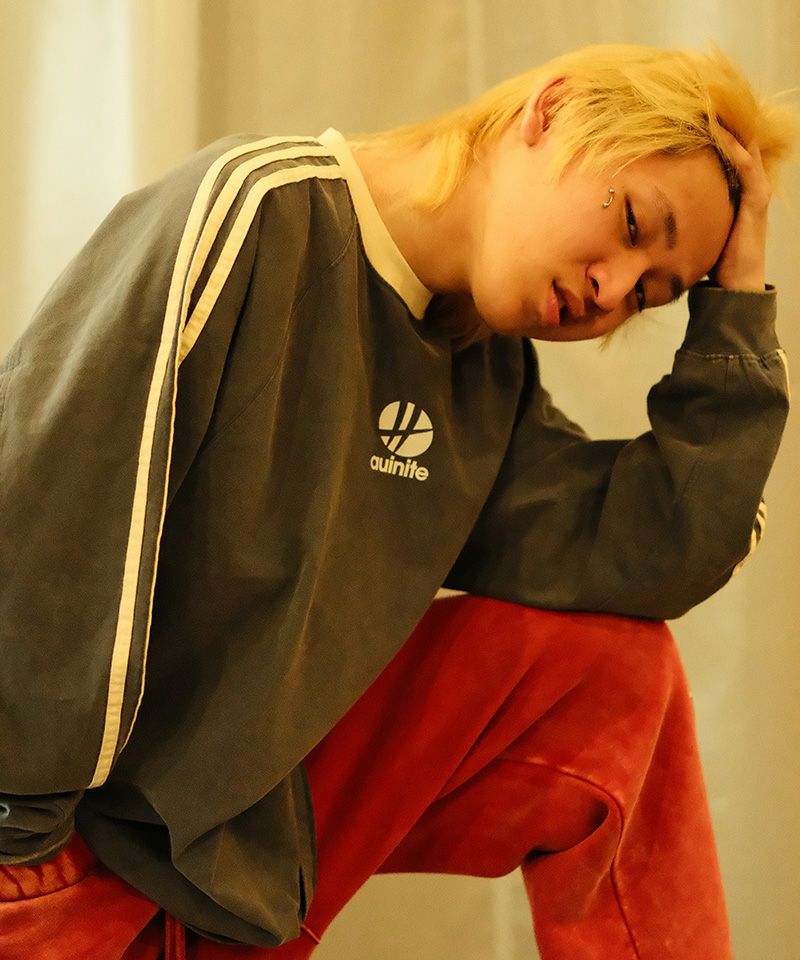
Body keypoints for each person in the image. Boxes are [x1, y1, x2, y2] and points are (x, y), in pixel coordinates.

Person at [0, 43, 794, 959]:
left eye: (650, 295)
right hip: (54, 855)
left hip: (231, 853)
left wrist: (736, 308)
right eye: (631, 222)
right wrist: (25, 853)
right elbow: (45, 528)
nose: (611, 290)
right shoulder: (257, 213)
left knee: (617, 675)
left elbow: (661, 548)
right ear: (552, 111)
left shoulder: (486, 381)